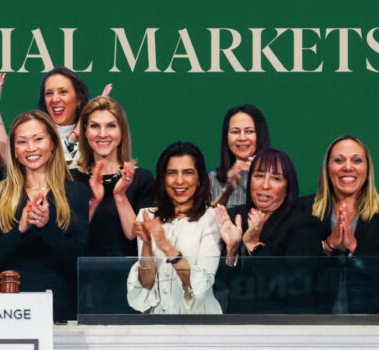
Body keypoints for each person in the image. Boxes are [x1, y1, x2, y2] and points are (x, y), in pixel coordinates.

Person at [0, 110, 89, 322]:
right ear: (14, 149)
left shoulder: (76, 192)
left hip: (55, 307)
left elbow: (78, 261)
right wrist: (20, 230)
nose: (31, 148)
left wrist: (46, 226)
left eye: (38, 139)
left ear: (53, 143)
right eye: (22, 142)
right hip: (5, 308)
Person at [300, 135, 379, 313]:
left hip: (369, 326)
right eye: (338, 160)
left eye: (357, 160)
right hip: (314, 324)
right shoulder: (303, 208)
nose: (348, 167)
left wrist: (354, 247)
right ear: (328, 168)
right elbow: (292, 272)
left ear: (367, 168)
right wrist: (326, 246)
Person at [214, 148, 323, 313]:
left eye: (276, 178)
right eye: (258, 176)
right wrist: (232, 251)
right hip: (238, 325)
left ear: (288, 188)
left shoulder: (304, 225)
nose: (265, 185)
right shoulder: (234, 217)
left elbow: (295, 287)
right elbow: (220, 285)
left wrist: (254, 246)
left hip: (282, 325)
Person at [127, 142, 221, 314]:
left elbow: (202, 283)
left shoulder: (212, 218)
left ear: (199, 179)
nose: (179, 181)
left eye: (188, 172)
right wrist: (147, 244)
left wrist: (166, 247)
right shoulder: (146, 216)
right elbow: (147, 283)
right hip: (158, 321)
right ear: (163, 179)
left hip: (200, 321)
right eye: (171, 173)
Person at [71, 96, 155, 257]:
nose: (103, 134)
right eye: (95, 126)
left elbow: (135, 236)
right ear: (85, 132)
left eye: (111, 126)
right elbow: (70, 238)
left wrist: (120, 195)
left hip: (129, 277)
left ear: (122, 131)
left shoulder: (142, 178)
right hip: (81, 278)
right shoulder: (71, 179)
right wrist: (93, 203)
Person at [209, 104, 271, 207]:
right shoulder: (211, 180)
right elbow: (202, 220)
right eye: (235, 132)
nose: (242, 138)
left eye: (249, 131)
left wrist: (260, 175)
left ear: (260, 134)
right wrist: (226, 192)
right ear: (226, 137)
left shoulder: (279, 176)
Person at [36, 67, 90, 169]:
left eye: (63, 92)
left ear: (79, 99)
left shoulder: (92, 137)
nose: (55, 99)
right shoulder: (35, 136)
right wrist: (74, 136)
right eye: (49, 93)